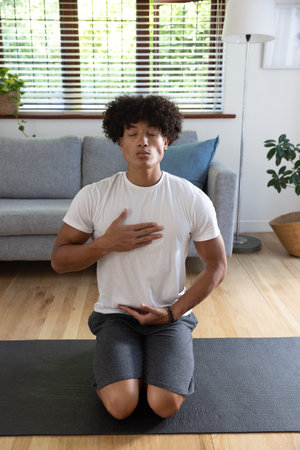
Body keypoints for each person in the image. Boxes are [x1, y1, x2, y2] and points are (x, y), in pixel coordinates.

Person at [51, 95, 227, 420]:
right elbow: (59, 260)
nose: (142, 142)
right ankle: (127, 362)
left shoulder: (191, 198)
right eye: (132, 133)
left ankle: (158, 357)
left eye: (151, 133)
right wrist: (105, 243)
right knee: (121, 406)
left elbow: (217, 266)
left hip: (168, 314)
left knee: (164, 405)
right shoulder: (94, 195)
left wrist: (174, 312)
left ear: (167, 140)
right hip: (115, 315)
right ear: (120, 141)